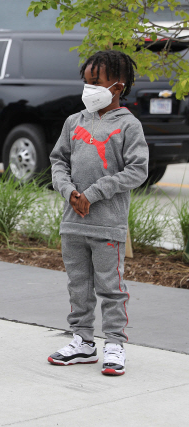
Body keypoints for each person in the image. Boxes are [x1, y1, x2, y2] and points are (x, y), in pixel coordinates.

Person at [48, 50, 148, 376]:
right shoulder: (73, 122)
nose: (89, 88)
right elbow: (58, 162)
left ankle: (115, 344)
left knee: (110, 287)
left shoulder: (128, 126)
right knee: (78, 285)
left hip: (108, 226)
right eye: (87, 82)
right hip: (73, 223)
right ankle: (82, 341)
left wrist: (93, 193)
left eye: (97, 83)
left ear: (118, 86)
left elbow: (137, 171)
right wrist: (69, 191)